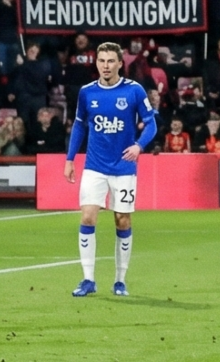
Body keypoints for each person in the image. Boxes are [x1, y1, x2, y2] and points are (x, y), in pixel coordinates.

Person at [63, 43, 157, 298]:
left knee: (122, 219)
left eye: (110, 61)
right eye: (101, 61)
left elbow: (151, 124)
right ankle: (88, 279)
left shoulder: (133, 91)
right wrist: (70, 159)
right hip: (94, 166)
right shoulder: (86, 93)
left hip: (124, 167)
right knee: (87, 217)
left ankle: (120, 280)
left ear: (119, 64)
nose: (105, 65)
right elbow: (80, 126)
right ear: (97, 64)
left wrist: (139, 146)